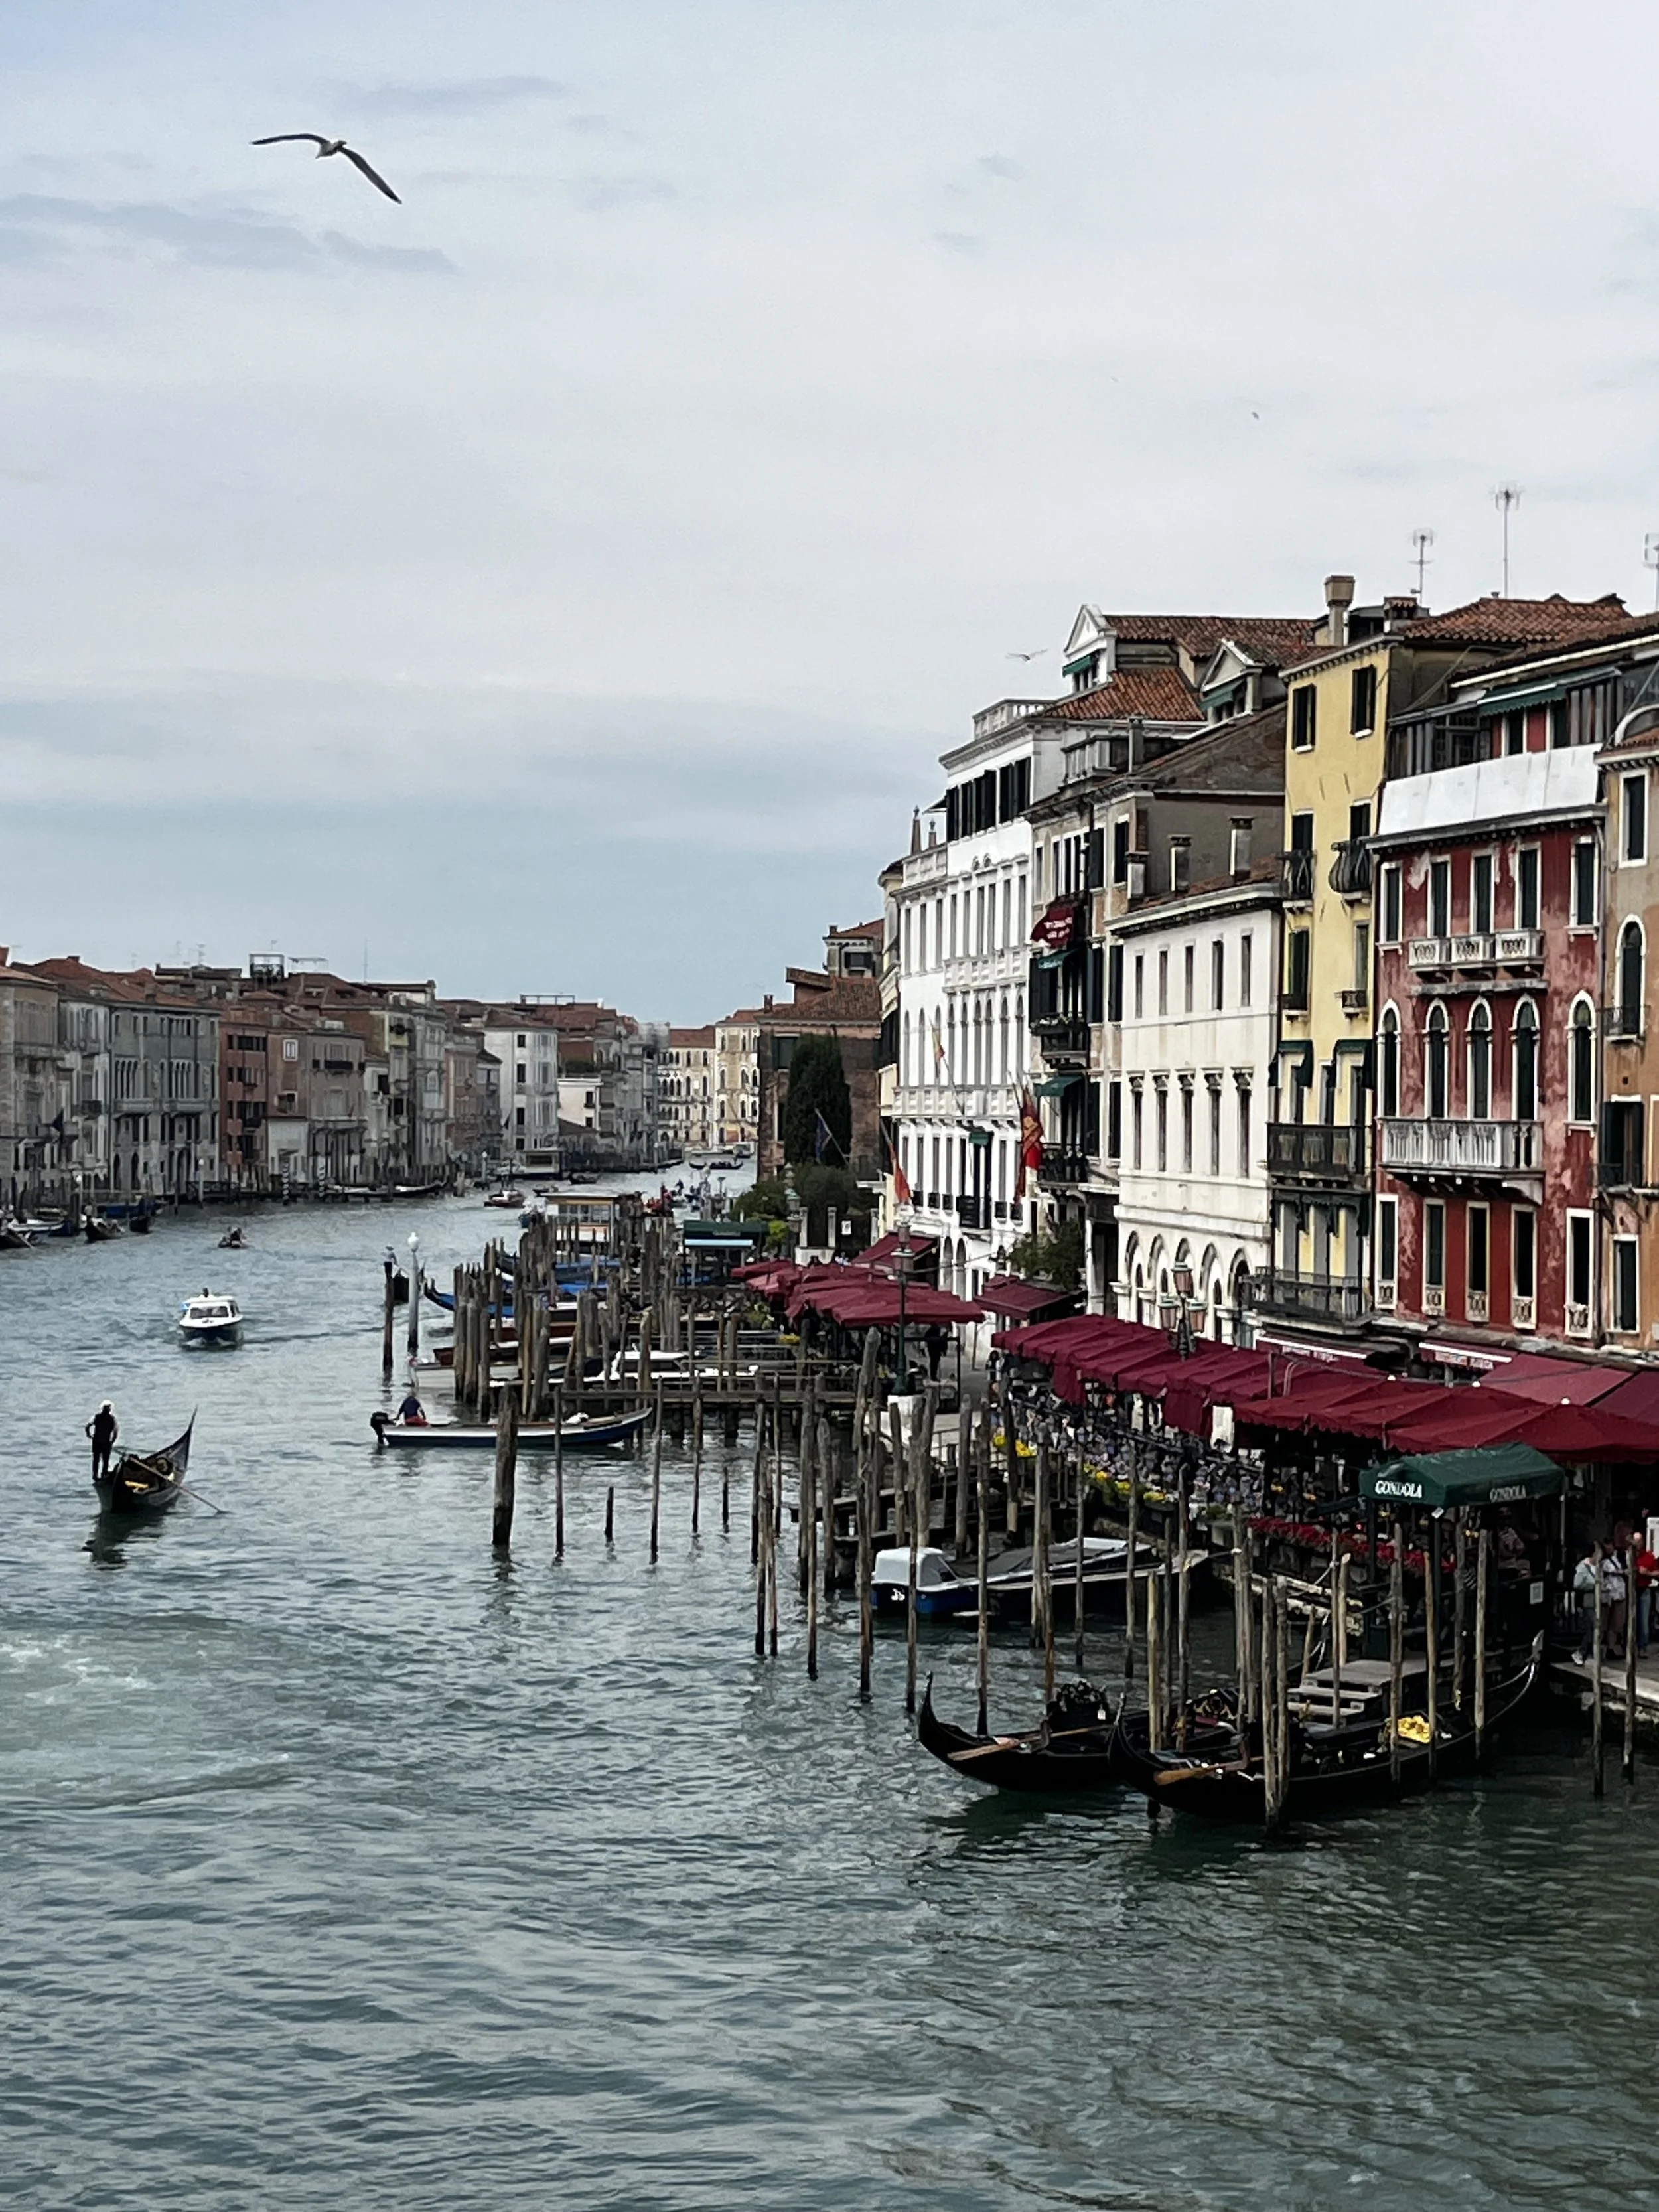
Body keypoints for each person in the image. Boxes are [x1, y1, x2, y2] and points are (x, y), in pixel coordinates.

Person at [86, 1400, 117, 1482]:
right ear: (110, 1409)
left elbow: (88, 1426)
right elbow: (116, 1431)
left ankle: (95, 1477)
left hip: (97, 1442)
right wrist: (112, 1441)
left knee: (96, 1460)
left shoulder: (97, 1417)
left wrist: (89, 1435)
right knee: (105, 1460)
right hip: (106, 1443)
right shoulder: (112, 1419)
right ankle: (104, 1475)